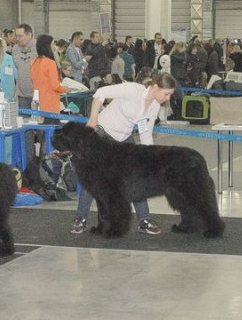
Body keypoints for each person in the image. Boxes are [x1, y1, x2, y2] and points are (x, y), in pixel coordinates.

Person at [70, 73, 177, 236]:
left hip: (124, 139)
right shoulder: (132, 89)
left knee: (137, 178)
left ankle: (144, 220)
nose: (168, 98)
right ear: (155, 87)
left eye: (170, 94)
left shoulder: (154, 105)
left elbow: (146, 132)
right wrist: (93, 118)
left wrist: (149, 157)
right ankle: (80, 218)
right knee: (93, 179)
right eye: (166, 93)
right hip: (102, 135)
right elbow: (100, 93)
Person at [30, 34, 66, 125]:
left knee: (42, 136)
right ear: (48, 45)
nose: (55, 46)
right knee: (51, 136)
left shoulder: (33, 62)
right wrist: (65, 89)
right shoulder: (50, 63)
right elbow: (55, 86)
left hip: (38, 105)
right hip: (50, 106)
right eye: (53, 43)